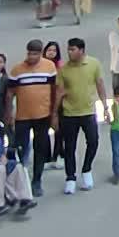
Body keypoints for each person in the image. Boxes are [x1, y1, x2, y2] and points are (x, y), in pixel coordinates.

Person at [54, 36, 109, 194]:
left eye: (73, 49)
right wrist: (54, 114)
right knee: (69, 147)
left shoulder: (93, 64)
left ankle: (86, 169)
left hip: (88, 111)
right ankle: (70, 178)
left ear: (81, 50)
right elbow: (59, 92)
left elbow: (99, 84)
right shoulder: (64, 69)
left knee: (93, 141)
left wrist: (105, 106)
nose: (69, 52)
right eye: (68, 49)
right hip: (69, 113)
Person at [7, 38, 59, 198]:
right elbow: (10, 93)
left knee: (40, 148)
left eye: (35, 54)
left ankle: (37, 180)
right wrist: (9, 113)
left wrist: (54, 113)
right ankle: (20, 180)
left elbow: (54, 90)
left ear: (40, 53)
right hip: (22, 117)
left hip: (43, 116)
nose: (31, 57)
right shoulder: (17, 70)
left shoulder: (49, 67)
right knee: (20, 148)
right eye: (29, 54)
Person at [42, 39, 64, 167]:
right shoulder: (40, 66)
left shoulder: (60, 67)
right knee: (43, 130)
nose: (51, 52)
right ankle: (46, 158)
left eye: (54, 50)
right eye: (49, 50)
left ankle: (58, 155)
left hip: (58, 101)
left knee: (59, 130)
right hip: (43, 101)